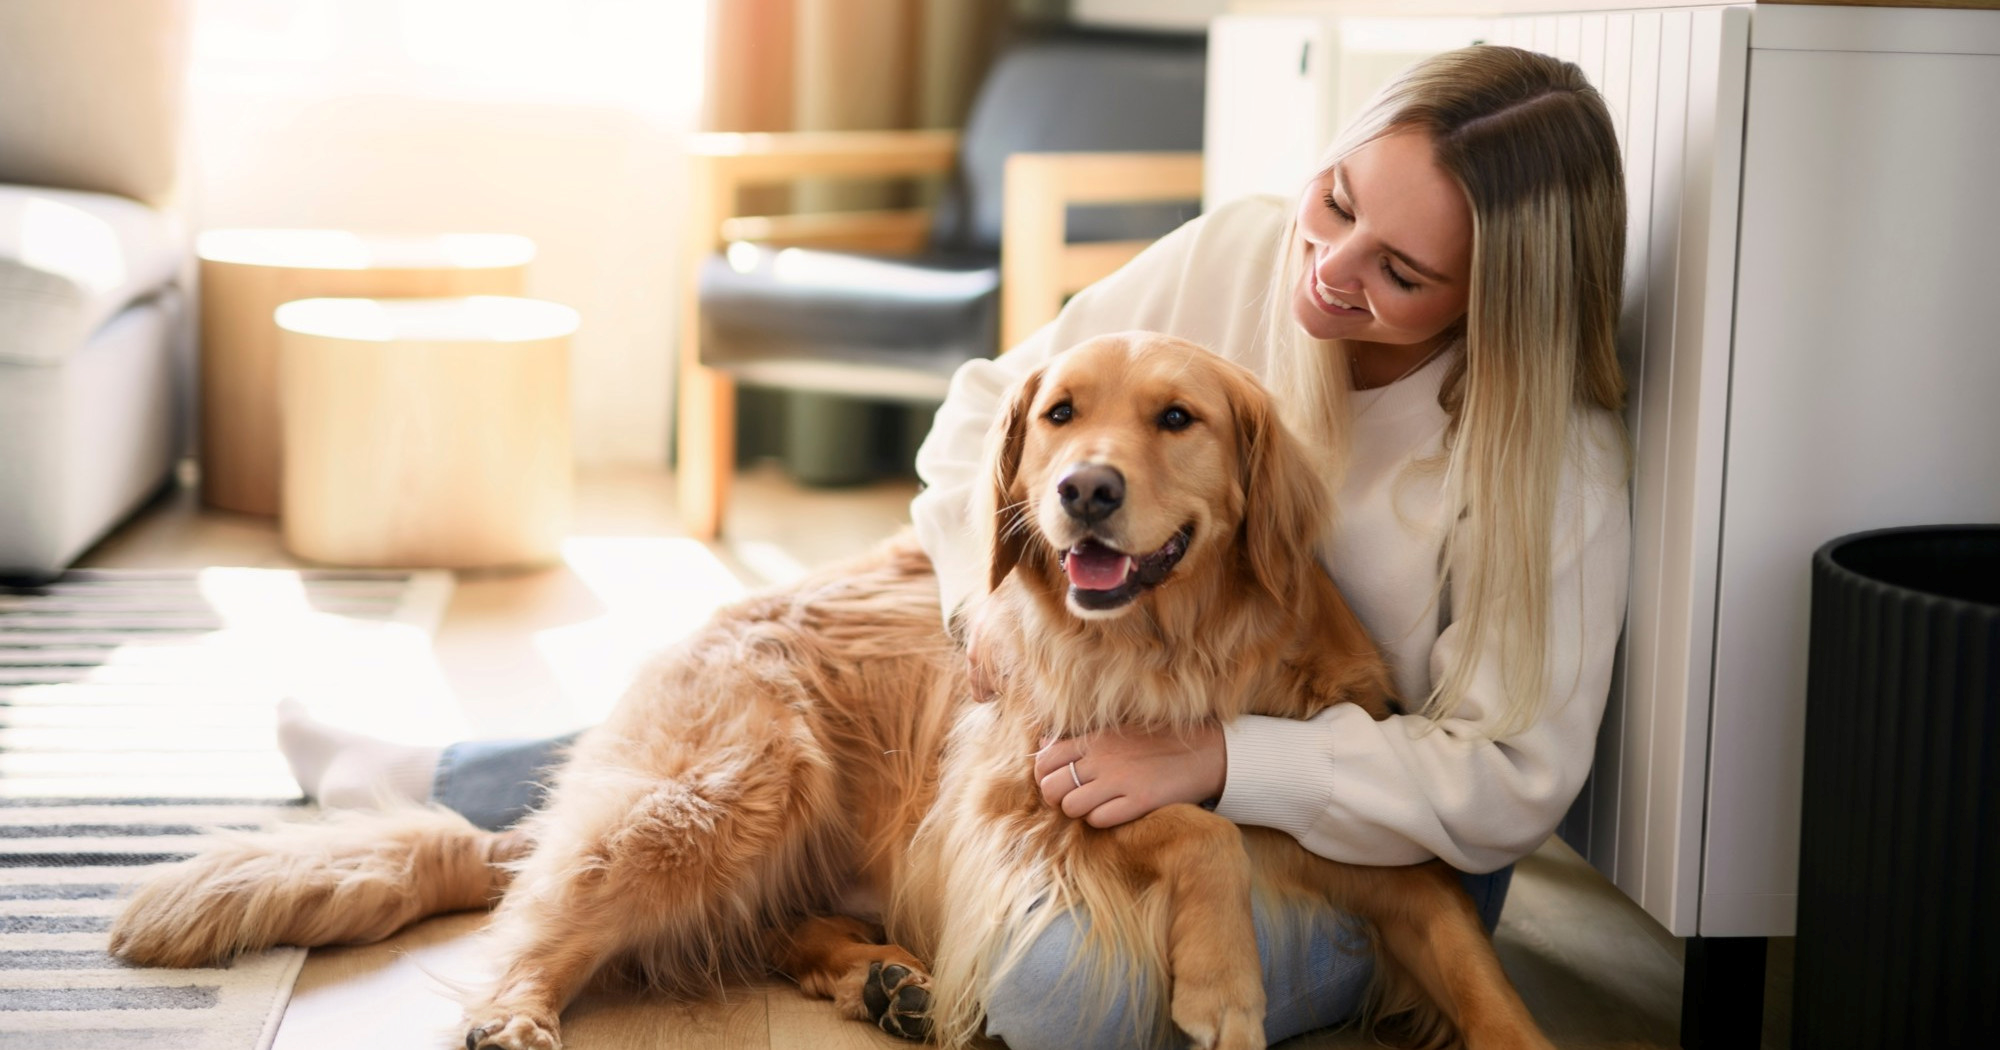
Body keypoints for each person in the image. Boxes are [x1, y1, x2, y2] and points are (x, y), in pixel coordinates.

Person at [277, 45, 1631, 1048]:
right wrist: (973, 607)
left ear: (1493, 300)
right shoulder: (1249, 247)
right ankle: (467, 786)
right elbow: (1000, 408)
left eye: (1401, 272)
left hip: (1374, 811)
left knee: (1052, 997)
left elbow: (1504, 785)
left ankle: (493, 809)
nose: (1328, 268)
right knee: (768, 742)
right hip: (1118, 707)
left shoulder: (1549, 466)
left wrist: (1224, 761)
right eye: (1336, 200)